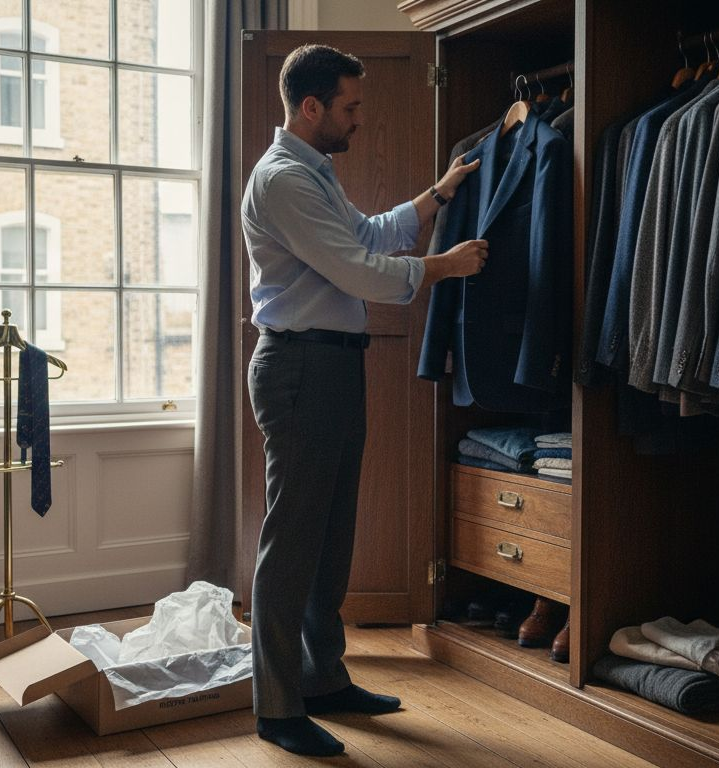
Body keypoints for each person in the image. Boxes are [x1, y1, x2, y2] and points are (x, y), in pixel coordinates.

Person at [240, 43, 487, 757]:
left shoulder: (313, 173)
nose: (359, 119)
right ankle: (278, 707)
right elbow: (357, 270)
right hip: (299, 370)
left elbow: (369, 235)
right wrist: (442, 266)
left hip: (333, 368)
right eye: (349, 106)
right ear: (309, 107)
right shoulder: (283, 179)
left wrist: (437, 194)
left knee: (331, 537)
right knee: (292, 544)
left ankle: (321, 678)